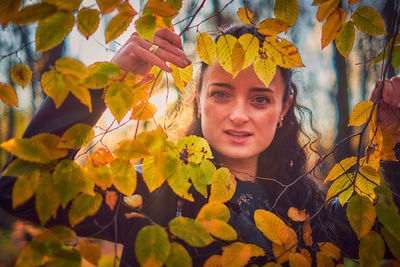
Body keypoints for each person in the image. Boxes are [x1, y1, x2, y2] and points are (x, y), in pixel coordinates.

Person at [1, 25, 400, 266]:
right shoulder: (155, 193)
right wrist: (106, 79)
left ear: (284, 108)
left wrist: (395, 140)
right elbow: (20, 191)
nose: (238, 114)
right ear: (199, 100)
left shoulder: (308, 210)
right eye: (221, 94)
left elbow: (390, 238)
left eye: (260, 99)